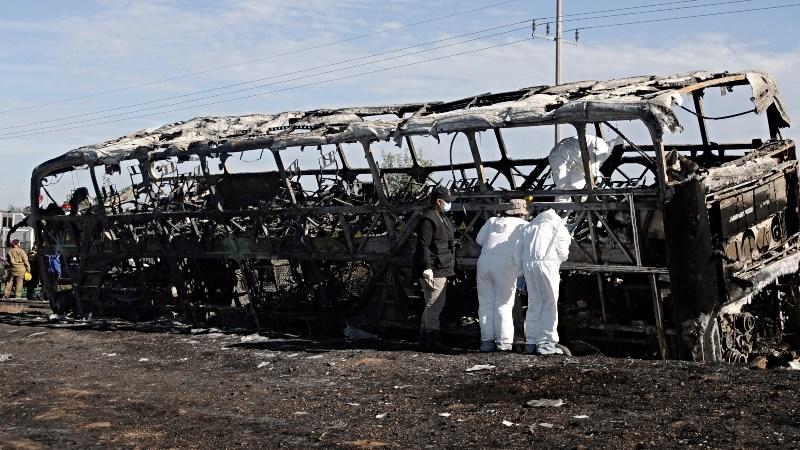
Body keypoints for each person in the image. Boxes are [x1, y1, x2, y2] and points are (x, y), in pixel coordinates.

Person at [475, 199, 529, 352]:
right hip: (506, 265)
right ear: (521, 213)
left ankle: (486, 342)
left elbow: (479, 240)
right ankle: (503, 343)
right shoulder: (523, 226)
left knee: (485, 305)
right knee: (503, 306)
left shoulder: (492, 221)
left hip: (484, 263)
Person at [517, 209, 571, 355]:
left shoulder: (529, 226)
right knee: (550, 303)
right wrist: (558, 259)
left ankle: (531, 342)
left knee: (534, 303)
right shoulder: (557, 225)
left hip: (529, 265)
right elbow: (563, 251)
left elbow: (519, 249)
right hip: (547, 264)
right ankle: (546, 343)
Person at [413, 185, 456, 352]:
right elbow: (423, 244)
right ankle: (432, 339)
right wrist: (427, 267)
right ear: (439, 201)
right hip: (434, 268)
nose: (449, 204)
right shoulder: (429, 219)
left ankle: (425, 339)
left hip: (440, 266)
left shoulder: (439, 216)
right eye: (447, 201)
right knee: (434, 304)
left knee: (432, 304)